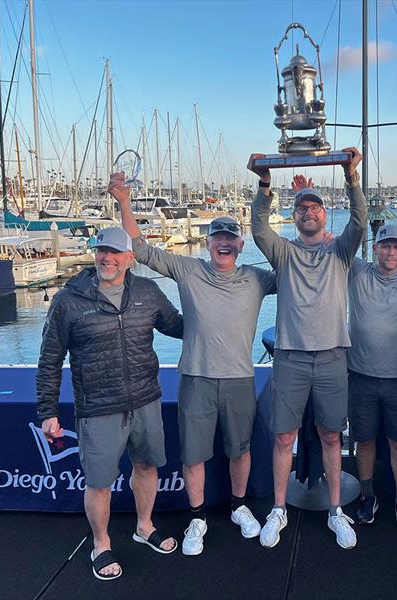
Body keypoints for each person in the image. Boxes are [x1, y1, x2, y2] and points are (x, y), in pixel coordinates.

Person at [109, 174, 277, 556]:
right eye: (217, 236)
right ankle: (197, 517)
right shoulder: (188, 270)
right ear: (208, 243)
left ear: (240, 244)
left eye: (230, 237)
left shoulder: (256, 277)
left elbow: (296, 271)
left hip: (239, 378)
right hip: (196, 379)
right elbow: (140, 248)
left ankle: (239, 506)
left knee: (240, 450)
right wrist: (124, 203)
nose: (224, 242)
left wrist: (322, 245)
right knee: (194, 454)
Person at [36, 226, 183, 581]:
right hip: (98, 407)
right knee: (99, 482)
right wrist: (48, 411)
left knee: (147, 467)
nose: (107, 258)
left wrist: (220, 310)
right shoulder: (68, 300)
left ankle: (144, 527)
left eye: (116, 252)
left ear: (130, 258)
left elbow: (180, 326)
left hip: (146, 399)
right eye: (102, 250)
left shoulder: (147, 292)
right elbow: (49, 360)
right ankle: (101, 544)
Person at [247, 147, 367, 550]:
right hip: (291, 358)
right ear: (295, 216)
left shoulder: (340, 251)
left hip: (333, 356)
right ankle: (278, 509)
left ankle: (336, 510)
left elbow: (360, 221)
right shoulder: (284, 253)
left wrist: (351, 177)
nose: (309, 212)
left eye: (315, 207)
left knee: (332, 436)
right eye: (302, 208)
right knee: (285, 438)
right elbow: (259, 229)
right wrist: (265, 183)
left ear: (324, 216)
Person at [347, 223, 397, 533]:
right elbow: (341, 243)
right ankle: (367, 496)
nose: (390, 251)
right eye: (384, 245)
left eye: (396, 246)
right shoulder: (357, 272)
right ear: (375, 248)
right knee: (363, 441)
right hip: (360, 376)